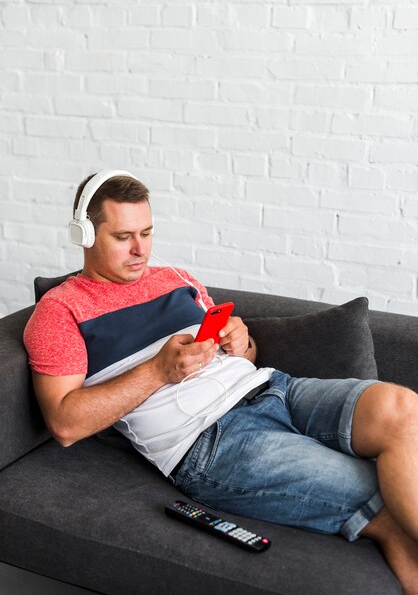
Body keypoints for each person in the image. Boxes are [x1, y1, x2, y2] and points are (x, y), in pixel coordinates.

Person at [24, 170, 418, 595]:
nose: (140, 250)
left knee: (403, 408)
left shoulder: (175, 278)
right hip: (211, 441)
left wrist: (240, 340)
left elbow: (243, 356)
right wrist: (158, 370)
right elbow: (64, 424)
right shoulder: (61, 310)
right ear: (84, 234)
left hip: (276, 389)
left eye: (147, 232)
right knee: (385, 502)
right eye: (123, 237)